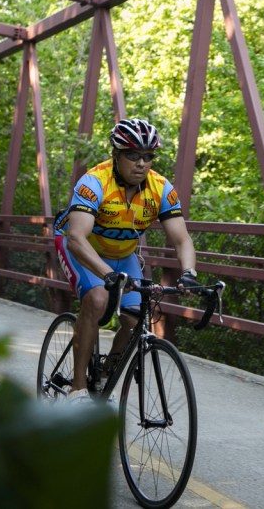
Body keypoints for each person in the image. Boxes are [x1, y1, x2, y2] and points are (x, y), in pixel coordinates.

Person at [53, 118, 197, 404]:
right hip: (82, 249)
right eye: (132, 155)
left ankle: (105, 375)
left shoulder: (161, 189)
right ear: (116, 155)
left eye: (148, 156)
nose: (141, 163)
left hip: (123, 255)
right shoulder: (94, 182)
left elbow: (182, 240)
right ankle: (77, 389)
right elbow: (77, 238)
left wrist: (189, 273)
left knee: (136, 317)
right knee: (97, 300)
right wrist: (107, 275)